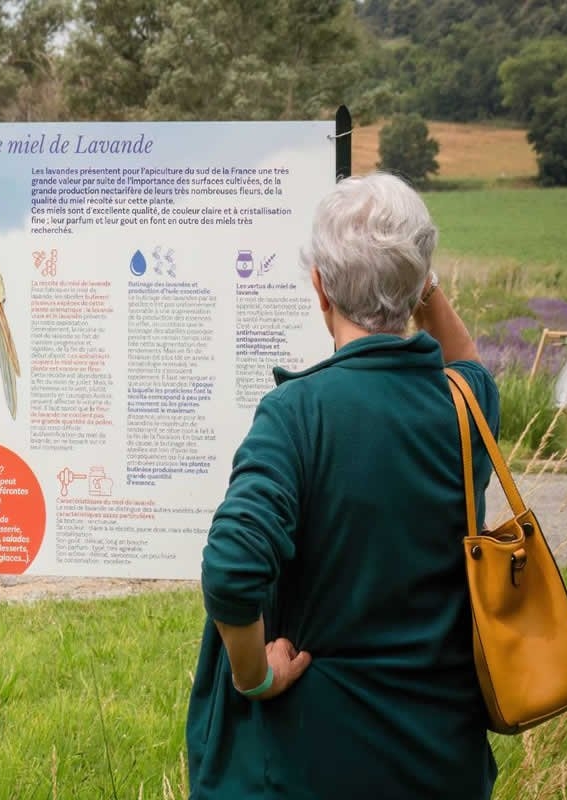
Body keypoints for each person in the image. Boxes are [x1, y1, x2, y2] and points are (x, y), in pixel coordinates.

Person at [185, 172, 499, 798]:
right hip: (442, 763)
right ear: (419, 284)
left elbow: (230, 571)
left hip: (310, 763)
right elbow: (467, 365)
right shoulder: (466, 409)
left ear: (319, 287)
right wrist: (418, 282)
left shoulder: (297, 414)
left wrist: (253, 679)